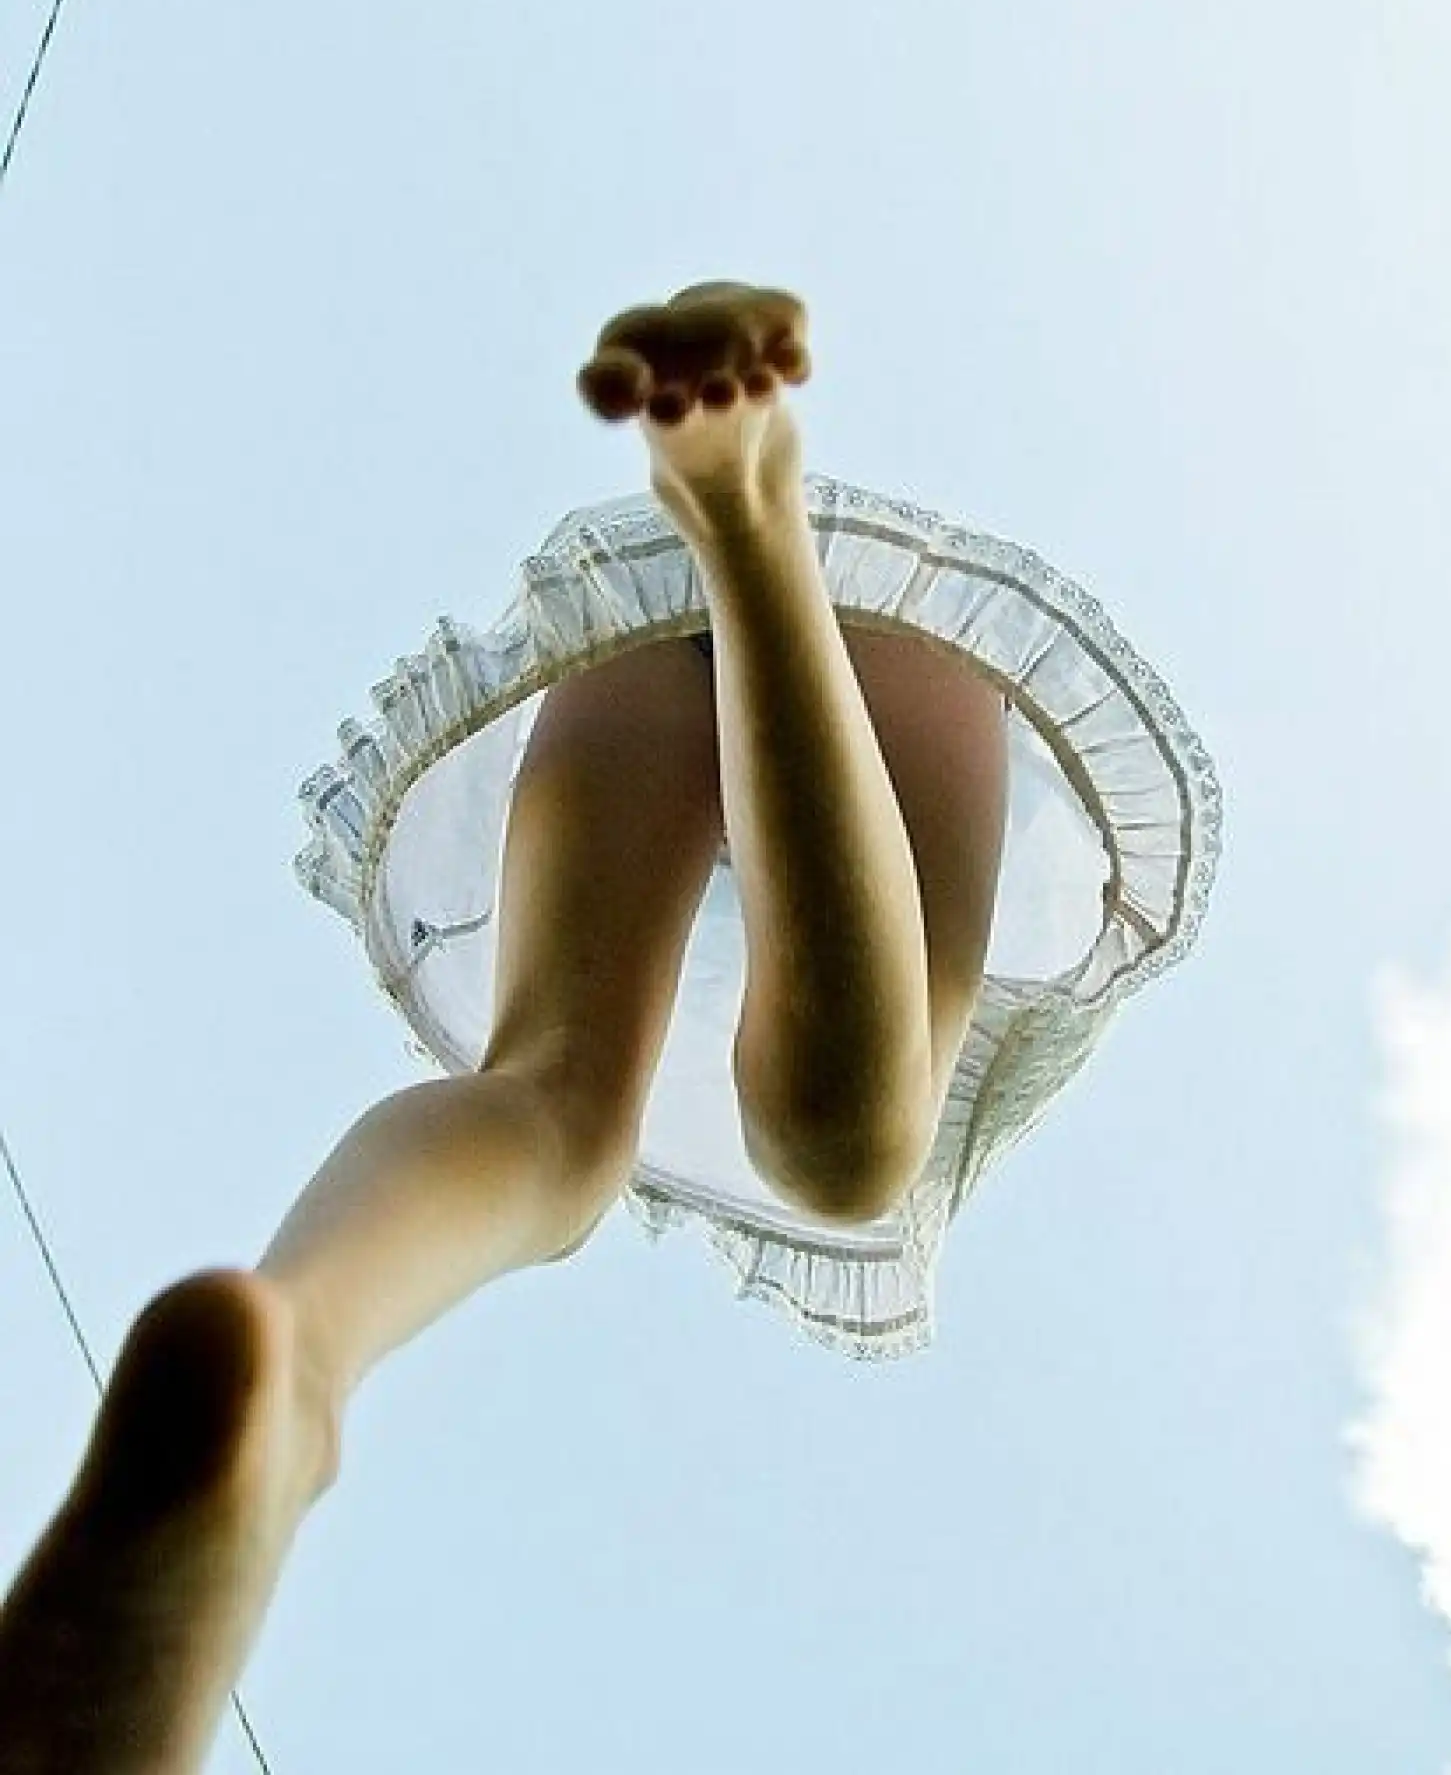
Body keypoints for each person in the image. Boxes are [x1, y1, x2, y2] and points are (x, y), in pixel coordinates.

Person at [0, 283, 1220, 1771]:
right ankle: (754, 528)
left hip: (646, 635)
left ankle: (299, 1351)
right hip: (914, 646)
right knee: (846, 1150)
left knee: (553, 1105)